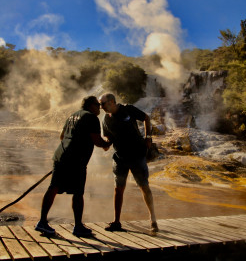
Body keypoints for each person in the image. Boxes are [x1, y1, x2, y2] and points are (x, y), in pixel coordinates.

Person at [35, 96, 111, 237]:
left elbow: (62, 136)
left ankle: (42, 222)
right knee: (78, 192)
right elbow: (97, 141)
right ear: (90, 105)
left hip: (60, 155)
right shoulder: (91, 118)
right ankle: (78, 226)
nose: (99, 107)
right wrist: (107, 143)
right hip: (76, 160)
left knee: (53, 187)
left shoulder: (73, 115)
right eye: (97, 104)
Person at [98, 93, 158, 233]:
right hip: (120, 157)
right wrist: (105, 143)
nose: (101, 107)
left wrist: (148, 136)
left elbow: (146, 118)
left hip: (137, 154)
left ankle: (153, 219)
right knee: (118, 188)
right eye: (100, 105)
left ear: (112, 102)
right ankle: (116, 222)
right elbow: (108, 136)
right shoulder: (105, 119)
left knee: (144, 186)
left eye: (103, 104)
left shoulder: (128, 109)